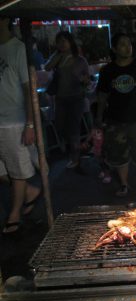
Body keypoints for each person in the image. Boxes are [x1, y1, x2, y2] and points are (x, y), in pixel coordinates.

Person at [95, 33, 136, 197]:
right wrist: (98, 117)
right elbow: (102, 96)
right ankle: (124, 184)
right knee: (118, 154)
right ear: (114, 49)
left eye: (129, 44)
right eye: (122, 44)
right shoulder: (108, 71)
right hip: (115, 120)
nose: (127, 47)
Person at [0, 16, 42, 234]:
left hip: (14, 121)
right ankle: (29, 192)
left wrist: (30, 124)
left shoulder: (18, 49)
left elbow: (29, 90)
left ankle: (14, 214)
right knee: (5, 171)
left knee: (17, 171)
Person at [45, 31, 90, 169]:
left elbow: (87, 80)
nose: (62, 44)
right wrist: (58, 55)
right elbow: (47, 67)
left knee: (74, 129)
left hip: (76, 98)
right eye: (59, 41)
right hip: (61, 99)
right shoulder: (57, 58)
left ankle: (75, 158)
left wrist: (84, 81)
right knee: (60, 126)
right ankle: (72, 147)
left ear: (70, 42)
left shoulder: (80, 60)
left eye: (64, 41)